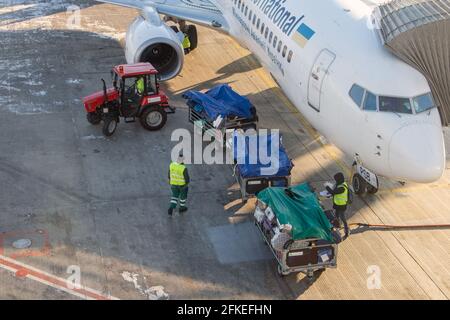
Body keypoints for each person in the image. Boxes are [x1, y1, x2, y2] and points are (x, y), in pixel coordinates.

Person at [326, 172, 350, 239]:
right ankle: (337, 228)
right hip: (337, 204)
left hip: (342, 205)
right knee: (336, 217)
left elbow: (333, 192)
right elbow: (334, 192)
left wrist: (327, 186)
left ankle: (347, 231)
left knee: (343, 218)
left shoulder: (342, 187)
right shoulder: (340, 184)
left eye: (336, 179)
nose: (335, 181)